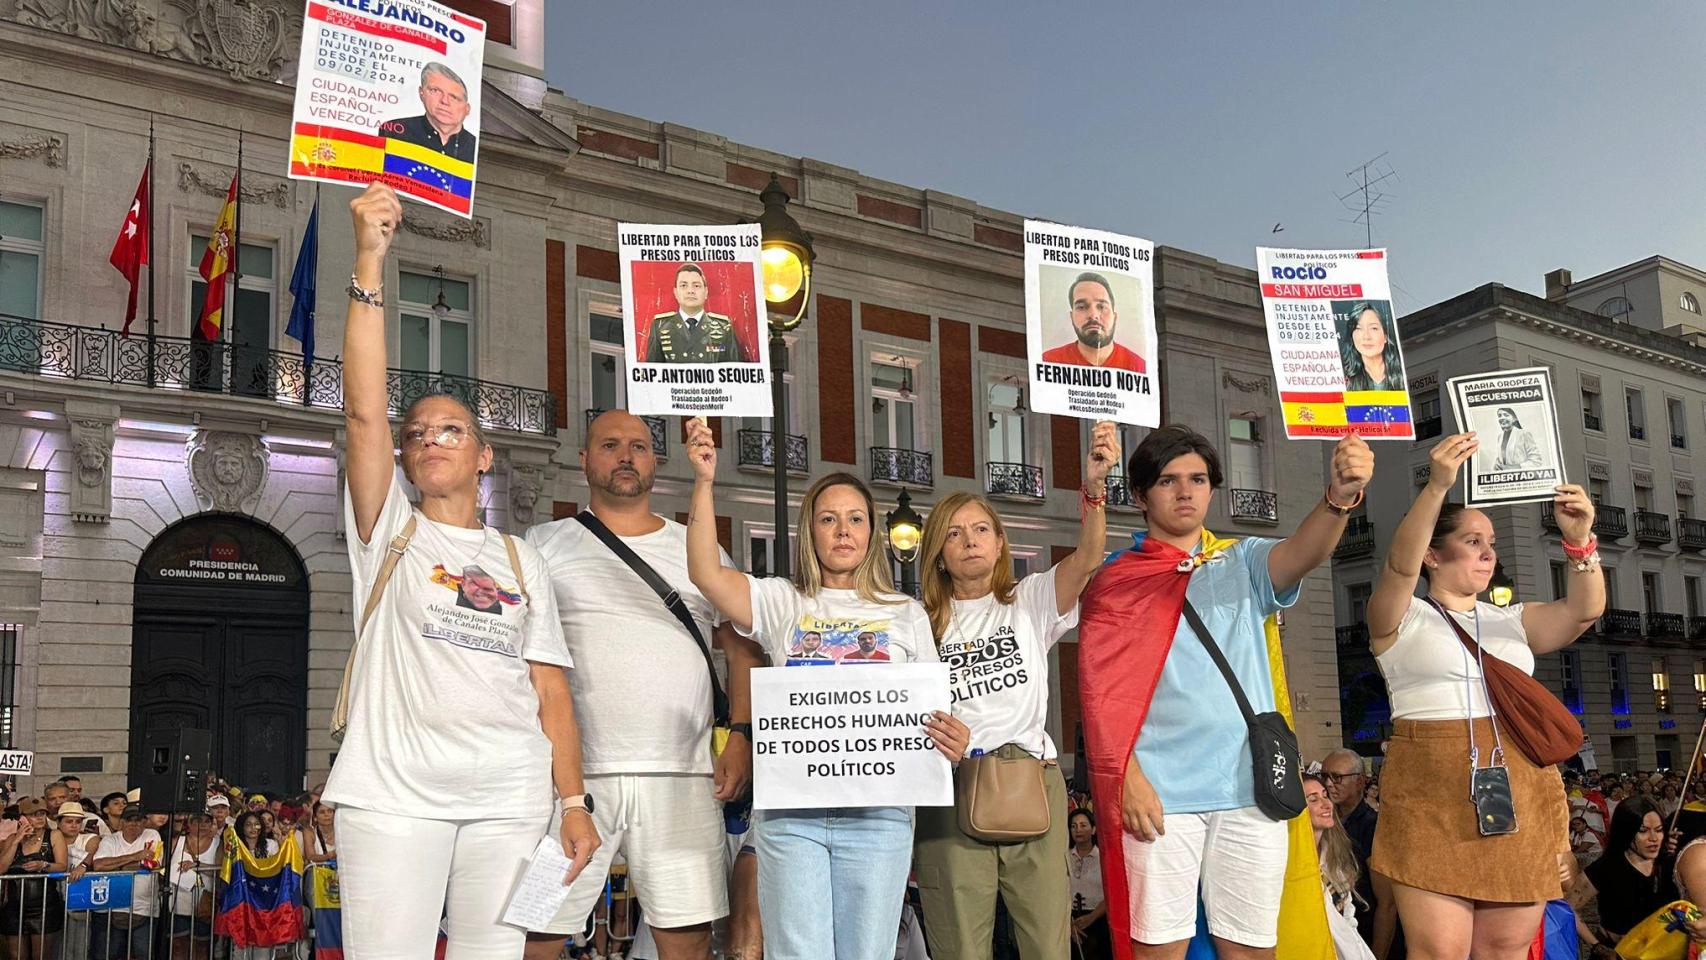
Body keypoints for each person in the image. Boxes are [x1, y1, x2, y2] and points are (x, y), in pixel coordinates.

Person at [326, 181, 598, 959]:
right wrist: (370, 260)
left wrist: (572, 803)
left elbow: (551, 692)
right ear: (405, 458)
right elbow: (363, 412)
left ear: (483, 456)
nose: (430, 439)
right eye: (417, 433)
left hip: (510, 796)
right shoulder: (390, 532)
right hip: (393, 796)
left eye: (451, 429)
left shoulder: (521, 557)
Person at [1078, 424, 1372, 960]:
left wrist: (1339, 498)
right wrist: (1128, 777)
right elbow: (1099, 694)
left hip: (1250, 790)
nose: (1185, 491)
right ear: (1141, 495)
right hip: (1160, 795)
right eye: (1168, 480)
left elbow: (1304, 552)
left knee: (1251, 950)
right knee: (1158, 951)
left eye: (1197, 479)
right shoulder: (1116, 579)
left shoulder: (1243, 560)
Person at [683, 418, 957, 960]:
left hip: (880, 818)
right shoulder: (783, 601)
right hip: (792, 819)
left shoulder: (905, 613)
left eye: (855, 519)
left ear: (872, 532)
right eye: (829, 519)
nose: (842, 531)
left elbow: (933, 712)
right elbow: (706, 575)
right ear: (810, 531)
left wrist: (952, 737)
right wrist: (704, 482)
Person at [520, 409, 762, 960]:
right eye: (610, 445)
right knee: (536, 933)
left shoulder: (699, 547)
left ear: (655, 460)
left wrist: (742, 734)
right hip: (571, 782)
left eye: (639, 446)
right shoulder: (542, 543)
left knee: (688, 942)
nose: (626, 455)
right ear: (584, 459)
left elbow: (742, 648)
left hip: (683, 777)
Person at [1364, 432, 1604, 960]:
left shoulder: (1512, 620)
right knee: (1439, 951)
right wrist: (1437, 486)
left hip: (1519, 786)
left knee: (1506, 950)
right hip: (1429, 790)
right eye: (1472, 540)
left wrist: (1580, 542)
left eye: (1491, 542)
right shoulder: (1400, 616)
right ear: (1432, 554)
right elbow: (1399, 568)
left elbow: (1583, 612)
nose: (1488, 552)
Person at [912, 420, 1120, 959]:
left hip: (1031, 781)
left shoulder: (1028, 599)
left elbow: (1088, 558)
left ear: (1000, 542)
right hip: (951, 787)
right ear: (938, 553)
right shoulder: (916, 622)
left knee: (1047, 946)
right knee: (959, 948)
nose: (969, 540)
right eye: (954, 533)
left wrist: (1094, 490)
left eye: (981, 529)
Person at [1569, 797, 1686, 955]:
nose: (1653, 838)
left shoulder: (1671, 864)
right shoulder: (1606, 867)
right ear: (1625, 831)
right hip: (1618, 952)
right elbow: (1566, 907)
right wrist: (1596, 945)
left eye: (1659, 830)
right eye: (1643, 831)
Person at [1320, 749, 1395, 955]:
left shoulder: (1372, 827)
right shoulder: (1324, 823)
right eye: (1324, 776)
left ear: (1360, 781)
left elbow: (1387, 904)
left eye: (1337, 777)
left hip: (1365, 935)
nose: (1328, 784)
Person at [1305, 774, 1376, 960]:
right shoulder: (1291, 867)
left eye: (1325, 795)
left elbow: (1347, 915)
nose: (1326, 804)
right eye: (1313, 799)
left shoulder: (1335, 854)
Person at [90, 806, 162, 960]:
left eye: (138, 820)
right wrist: (135, 857)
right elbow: (99, 865)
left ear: (144, 822)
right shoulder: (111, 839)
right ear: (122, 822)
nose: (134, 824)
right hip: (114, 906)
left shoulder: (152, 834)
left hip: (144, 907)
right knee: (112, 953)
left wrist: (117, 866)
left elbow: (151, 864)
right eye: (130, 820)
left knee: (143, 953)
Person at [643, 263, 751, 364]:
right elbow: (651, 374)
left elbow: (736, 372)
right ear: (675, 292)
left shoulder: (724, 327)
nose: (690, 291)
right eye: (683, 285)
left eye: (696, 286)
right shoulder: (660, 327)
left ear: (706, 292)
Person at [1041, 272, 1147, 373]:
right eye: (1082, 307)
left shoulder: (1140, 368)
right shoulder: (1047, 362)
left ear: (1115, 317)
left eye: (1101, 306)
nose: (1093, 315)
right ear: (1072, 317)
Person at [0, 796, 64, 957]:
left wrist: (44, 865)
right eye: (34, 814)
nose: (40, 818)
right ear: (22, 818)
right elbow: (1, 868)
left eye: (42, 813)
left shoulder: (54, 835)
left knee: (40, 955)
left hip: (43, 906)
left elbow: (62, 866)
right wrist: (16, 841)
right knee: (17, 956)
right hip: (14, 906)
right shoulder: (12, 839)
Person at [379, 62, 477, 162]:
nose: (445, 101)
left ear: (467, 109)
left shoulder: (476, 148)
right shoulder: (393, 131)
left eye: (454, 97)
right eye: (435, 91)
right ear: (421, 93)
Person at [168, 812, 219, 960]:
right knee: (178, 946)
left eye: (206, 821)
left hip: (204, 905)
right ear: (189, 824)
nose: (202, 825)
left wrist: (197, 865)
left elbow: (222, 870)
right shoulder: (176, 841)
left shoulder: (218, 843)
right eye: (197, 820)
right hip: (177, 903)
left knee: (202, 946)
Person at [57, 801, 100, 960]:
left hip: (80, 896)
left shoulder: (89, 838)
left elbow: (93, 852)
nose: (74, 825)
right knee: (59, 941)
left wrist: (83, 866)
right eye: (69, 821)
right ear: (59, 823)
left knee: (81, 941)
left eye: (78, 821)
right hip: (56, 895)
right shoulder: (53, 838)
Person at [1069, 809, 1110, 960]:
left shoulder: (1104, 858)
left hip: (1099, 919)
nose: (1078, 830)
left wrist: (1092, 917)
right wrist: (1069, 924)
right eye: (1073, 826)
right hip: (1071, 921)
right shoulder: (1065, 857)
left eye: (1083, 825)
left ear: (1093, 829)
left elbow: (1112, 894)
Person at [1338, 302, 1404, 392]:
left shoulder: (1402, 372)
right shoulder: (1344, 380)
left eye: (1373, 328)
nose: (1366, 336)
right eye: (1358, 328)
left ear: (1386, 336)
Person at [1486, 408, 1543, 472]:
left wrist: (1515, 467)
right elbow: (1501, 458)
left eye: (1506, 415)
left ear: (1514, 419)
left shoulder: (1524, 434)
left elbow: (1537, 461)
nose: (1502, 418)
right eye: (1499, 415)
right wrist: (1497, 464)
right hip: (1504, 476)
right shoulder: (1500, 437)